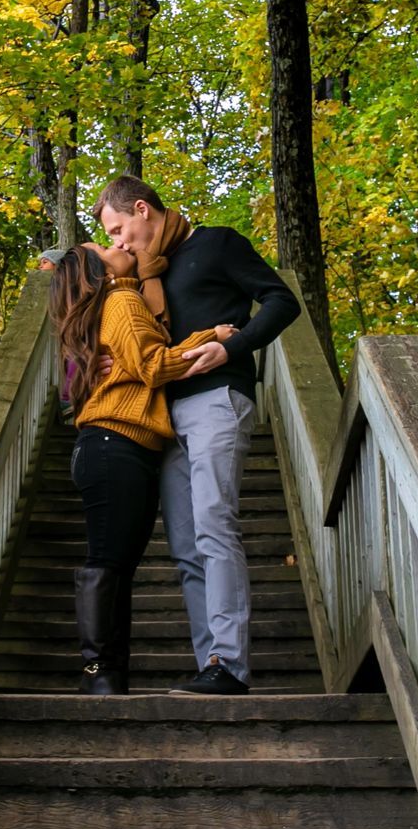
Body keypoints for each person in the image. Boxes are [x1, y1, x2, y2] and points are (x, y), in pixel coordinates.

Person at [94, 175, 300, 696]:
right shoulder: (141, 279)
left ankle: (229, 663)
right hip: (162, 413)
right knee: (185, 546)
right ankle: (210, 663)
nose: (118, 243)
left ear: (142, 209)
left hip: (217, 400)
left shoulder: (217, 244)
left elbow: (281, 301)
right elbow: (139, 344)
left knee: (213, 525)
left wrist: (234, 347)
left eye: (119, 229)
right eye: (111, 237)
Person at [48, 243, 235, 695]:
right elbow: (155, 366)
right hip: (117, 444)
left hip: (110, 447)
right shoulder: (123, 302)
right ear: (98, 270)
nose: (120, 244)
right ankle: (98, 673)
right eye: (105, 246)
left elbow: (139, 358)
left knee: (117, 564)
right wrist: (213, 337)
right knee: (109, 562)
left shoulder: (112, 306)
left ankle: (109, 674)